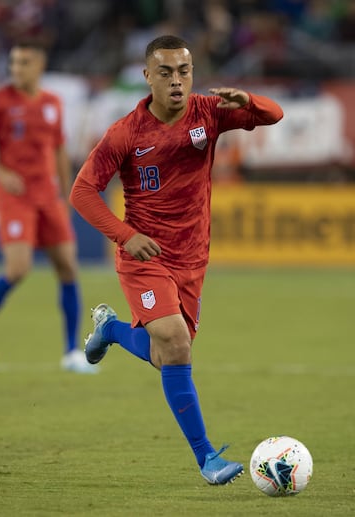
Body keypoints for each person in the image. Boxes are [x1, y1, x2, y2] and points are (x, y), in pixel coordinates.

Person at [70, 35, 283, 483]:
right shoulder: (126, 132)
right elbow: (82, 192)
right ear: (148, 77)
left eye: (184, 71)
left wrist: (249, 100)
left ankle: (110, 328)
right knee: (176, 342)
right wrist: (126, 236)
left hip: (193, 259)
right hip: (144, 256)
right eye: (165, 72)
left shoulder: (208, 112)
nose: (176, 80)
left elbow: (273, 115)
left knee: (168, 354)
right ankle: (207, 458)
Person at [0, 41, 97, 374]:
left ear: (39, 66)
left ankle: (71, 352)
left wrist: (67, 193)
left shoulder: (52, 103)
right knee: (17, 270)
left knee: (68, 267)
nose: (16, 69)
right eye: (14, 62)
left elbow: (58, 150)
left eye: (24, 62)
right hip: (15, 196)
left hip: (48, 197)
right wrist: (1, 173)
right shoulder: (1, 101)